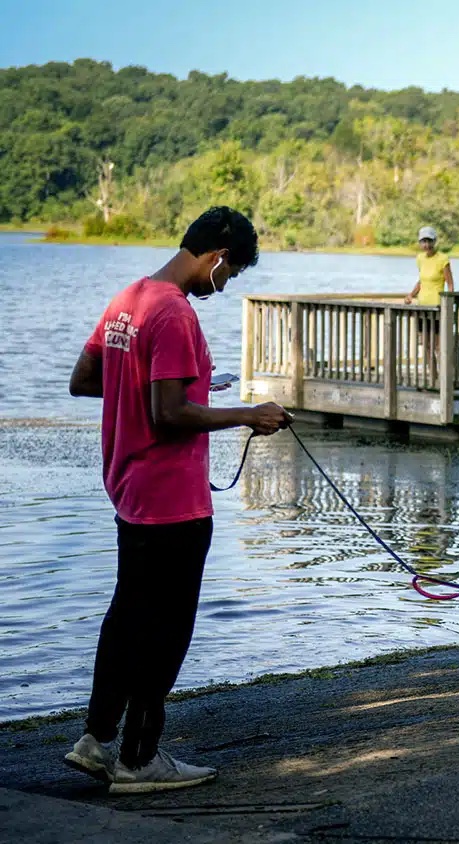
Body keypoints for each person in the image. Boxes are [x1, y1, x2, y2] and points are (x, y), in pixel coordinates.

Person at [64, 206, 291, 793]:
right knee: (167, 627)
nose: (228, 283)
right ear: (217, 258)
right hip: (174, 500)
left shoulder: (129, 300)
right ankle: (140, 759)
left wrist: (187, 387)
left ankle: (96, 739)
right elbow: (168, 415)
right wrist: (249, 414)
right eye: (233, 273)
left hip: (130, 489)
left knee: (128, 614)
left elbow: (88, 377)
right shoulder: (175, 314)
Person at [404, 226, 455, 381]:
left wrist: (449, 304)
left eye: (429, 241)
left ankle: (444, 378)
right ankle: (433, 377)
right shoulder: (420, 259)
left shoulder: (442, 259)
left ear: (434, 241)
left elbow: (450, 284)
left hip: (438, 308)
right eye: (423, 241)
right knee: (426, 346)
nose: (426, 245)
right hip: (423, 307)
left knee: (439, 346)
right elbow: (421, 281)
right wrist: (411, 295)